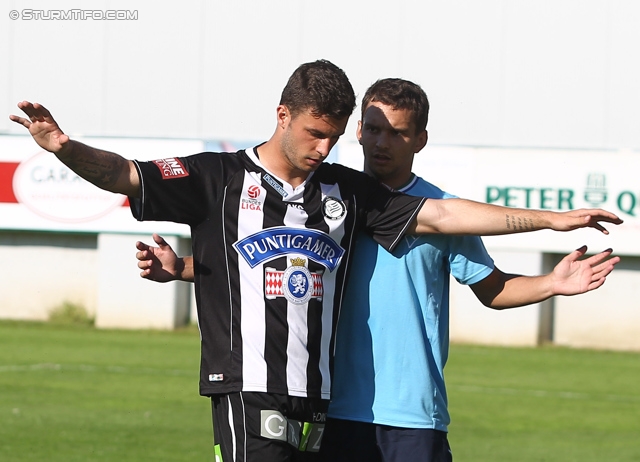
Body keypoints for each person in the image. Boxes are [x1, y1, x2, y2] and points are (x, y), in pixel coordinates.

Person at [10, 61, 621, 462]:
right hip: (282, 394)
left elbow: (448, 227)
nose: (330, 148)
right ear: (285, 116)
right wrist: (65, 148)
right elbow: (132, 178)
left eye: (337, 137)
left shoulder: (352, 195)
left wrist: (550, 228)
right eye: (320, 133)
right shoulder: (238, 179)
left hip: (358, 402)